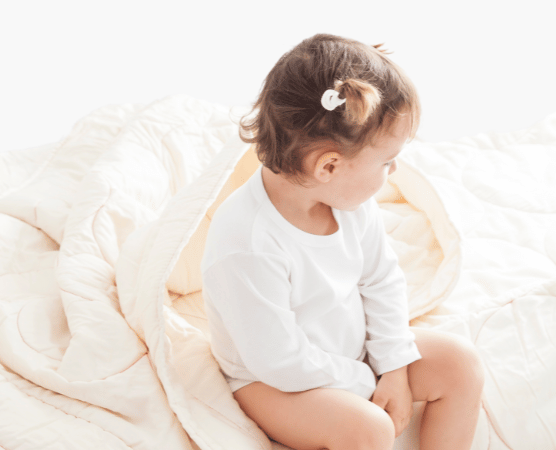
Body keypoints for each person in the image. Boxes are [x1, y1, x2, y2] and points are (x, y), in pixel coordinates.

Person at [201, 34, 485, 450]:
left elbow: (382, 279)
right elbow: (281, 361)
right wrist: (368, 381)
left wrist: (395, 367)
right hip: (273, 381)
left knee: (460, 362)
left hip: (350, 355)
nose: (395, 169)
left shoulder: (348, 201)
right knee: (367, 429)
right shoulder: (248, 242)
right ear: (329, 166)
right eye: (387, 161)